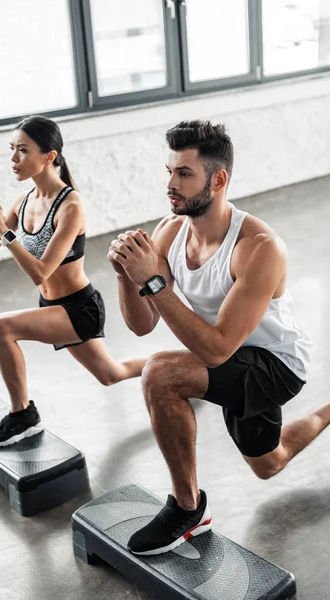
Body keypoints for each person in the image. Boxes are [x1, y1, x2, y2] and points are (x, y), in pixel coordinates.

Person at [108, 119, 329, 557]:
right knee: (269, 464)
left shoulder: (260, 247)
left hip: (275, 364)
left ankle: (187, 509)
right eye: (169, 171)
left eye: (183, 174)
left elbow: (216, 349)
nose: (170, 184)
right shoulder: (170, 231)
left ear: (218, 179)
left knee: (161, 374)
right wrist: (125, 277)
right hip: (229, 354)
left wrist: (153, 283)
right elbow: (141, 325)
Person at [0, 115, 145, 448]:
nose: (13, 159)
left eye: (22, 150)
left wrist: (3, 231)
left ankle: (22, 415)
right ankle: (177, 365)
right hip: (52, 306)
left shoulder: (71, 206)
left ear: (49, 156)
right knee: (112, 374)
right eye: (12, 149)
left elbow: (41, 272)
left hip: (79, 309)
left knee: (1, 328)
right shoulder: (22, 203)